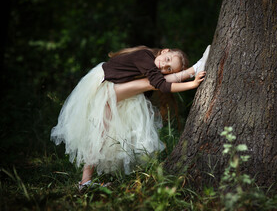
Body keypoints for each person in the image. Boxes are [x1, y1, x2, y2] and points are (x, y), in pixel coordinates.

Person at [50, 45, 210, 190]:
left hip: (112, 92)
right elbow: (159, 84)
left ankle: (85, 181)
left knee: (100, 134)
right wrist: (192, 84)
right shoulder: (144, 56)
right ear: (164, 51)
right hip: (103, 86)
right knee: (150, 83)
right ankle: (193, 71)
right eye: (167, 60)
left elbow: (158, 82)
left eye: (168, 69)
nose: (164, 65)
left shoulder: (151, 68)